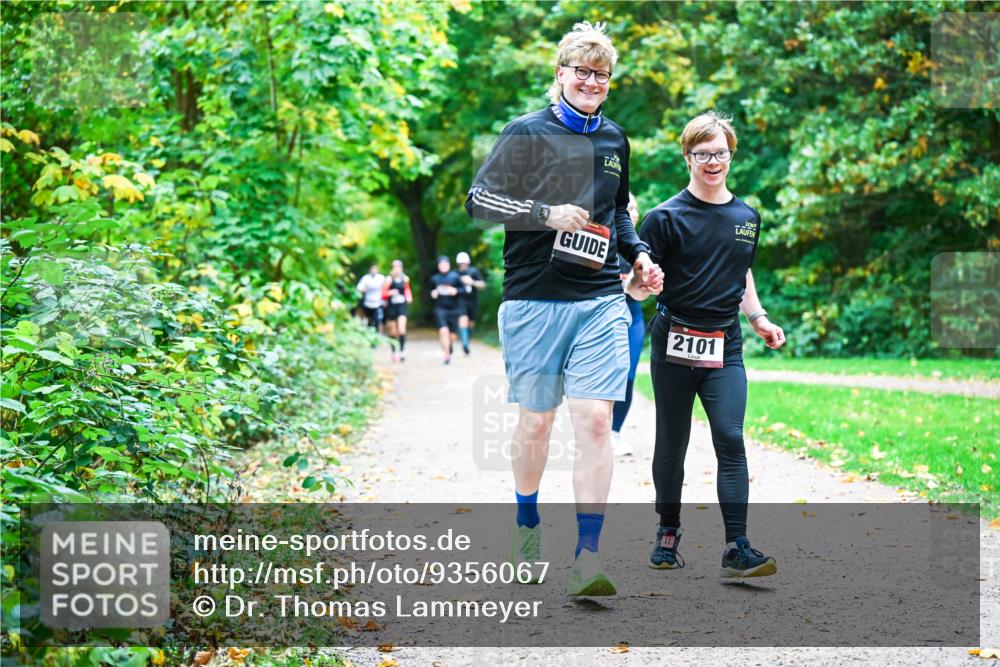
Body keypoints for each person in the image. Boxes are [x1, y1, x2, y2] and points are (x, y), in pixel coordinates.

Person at [466, 21, 663, 596]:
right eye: (582, 72)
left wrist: (640, 254)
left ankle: (587, 557)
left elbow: (620, 212)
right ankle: (527, 522)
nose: (592, 82)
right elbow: (480, 201)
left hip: (600, 295)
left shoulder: (615, 141)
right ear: (560, 75)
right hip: (533, 297)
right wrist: (544, 213)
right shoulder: (525, 132)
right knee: (536, 421)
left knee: (597, 420)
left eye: (601, 75)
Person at [627, 111, 786, 578]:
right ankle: (668, 530)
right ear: (687, 157)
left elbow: (741, 272)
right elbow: (639, 283)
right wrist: (644, 283)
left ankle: (737, 545)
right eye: (702, 154)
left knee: (731, 436)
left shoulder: (746, 217)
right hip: (674, 341)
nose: (712, 161)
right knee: (672, 440)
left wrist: (757, 317)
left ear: (730, 155)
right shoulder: (664, 218)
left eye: (720, 153)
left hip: (725, 345)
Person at [610, 193, 645, 457]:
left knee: (629, 375)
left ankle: (615, 432)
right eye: (626, 208)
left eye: (634, 208)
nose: (631, 212)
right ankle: (594, 430)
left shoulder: (641, 247)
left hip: (632, 314)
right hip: (601, 316)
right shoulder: (604, 240)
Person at [429, 255, 465, 365]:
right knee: (443, 331)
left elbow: (465, 290)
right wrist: (433, 293)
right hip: (440, 309)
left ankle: (449, 347)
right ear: (438, 266)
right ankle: (446, 356)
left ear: (449, 265)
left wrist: (456, 291)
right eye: (441, 265)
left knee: (452, 336)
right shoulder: (434, 278)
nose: (443, 266)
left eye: (445, 264)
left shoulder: (455, 276)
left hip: (454, 309)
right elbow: (430, 291)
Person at [382, 259, 412, 362]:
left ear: (401, 268)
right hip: (391, 307)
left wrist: (408, 297)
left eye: (398, 267)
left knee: (402, 329)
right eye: (395, 267)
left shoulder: (405, 279)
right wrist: (390, 292)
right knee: (393, 331)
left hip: (402, 306)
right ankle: (394, 351)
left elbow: (407, 290)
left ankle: (402, 351)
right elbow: (383, 294)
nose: (397, 269)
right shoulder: (389, 279)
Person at [455, 251, 485, 356]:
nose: (463, 264)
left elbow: (482, 285)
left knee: (471, 324)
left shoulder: (474, 271)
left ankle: (467, 340)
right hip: (460, 301)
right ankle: (465, 344)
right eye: (461, 263)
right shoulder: (455, 274)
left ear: (468, 262)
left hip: (472, 301)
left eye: (464, 262)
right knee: (463, 321)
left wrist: (471, 282)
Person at [355, 264, 385, 333]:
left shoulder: (381, 278)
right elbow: (359, 288)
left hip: (378, 303)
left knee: (378, 320)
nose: (374, 271)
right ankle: (370, 335)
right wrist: (366, 289)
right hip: (368, 303)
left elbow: (386, 287)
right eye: (372, 269)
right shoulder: (366, 278)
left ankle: (377, 335)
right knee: (370, 320)